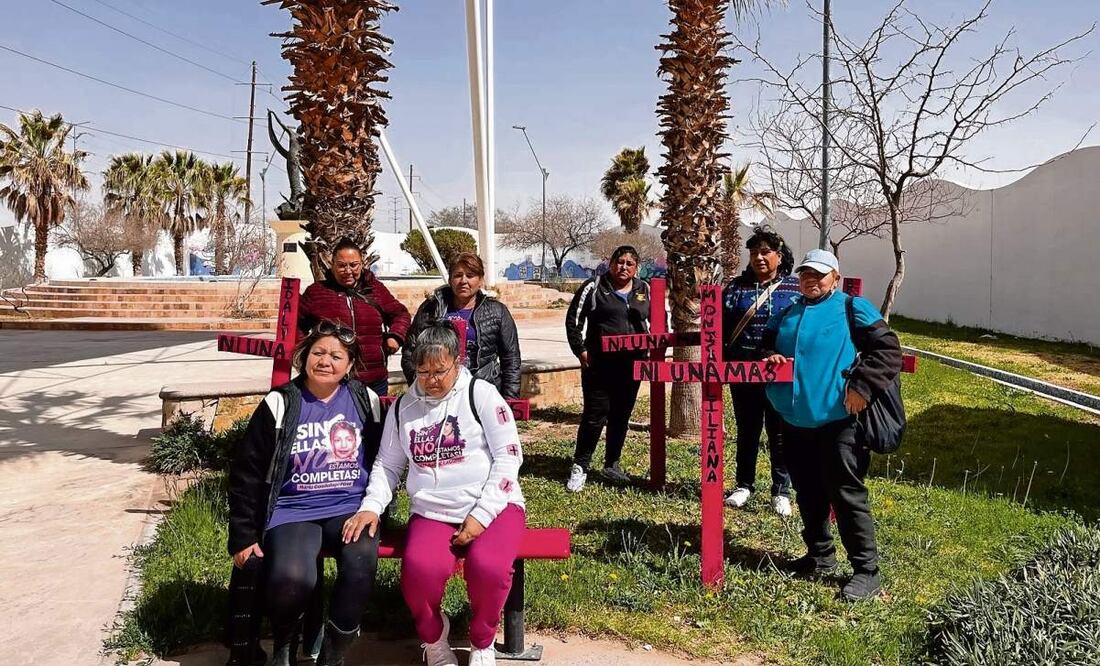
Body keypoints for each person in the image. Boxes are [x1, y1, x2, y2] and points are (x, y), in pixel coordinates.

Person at [353, 322, 526, 666]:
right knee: (419, 572)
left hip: (492, 504)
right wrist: (371, 506)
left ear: (457, 362)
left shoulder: (481, 394)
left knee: (488, 568)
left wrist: (481, 515)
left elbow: (509, 456)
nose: (431, 379)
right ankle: (433, 638)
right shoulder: (404, 407)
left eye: (440, 371)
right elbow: (388, 464)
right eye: (423, 371)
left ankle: (482, 641)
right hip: (433, 511)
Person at [227, 322, 384, 666]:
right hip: (293, 510)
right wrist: (242, 535)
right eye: (318, 353)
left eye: (336, 355)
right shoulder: (281, 402)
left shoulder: (365, 400)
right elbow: (247, 473)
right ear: (304, 357)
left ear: (350, 364)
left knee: (360, 564)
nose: (326, 361)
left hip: (350, 509)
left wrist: (374, 507)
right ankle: (285, 645)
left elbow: (385, 459)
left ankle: (331, 655)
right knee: (291, 580)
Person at [762, 249, 902, 601]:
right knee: (808, 491)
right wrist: (769, 357)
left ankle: (866, 571)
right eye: (806, 274)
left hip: (838, 422)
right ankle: (820, 555)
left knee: (845, 493)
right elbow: (764, 346)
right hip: (794, 421)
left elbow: (888, 350)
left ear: (835, 278)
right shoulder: (787, 312)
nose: (811, 280)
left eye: (819, 275)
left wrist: (862, 386)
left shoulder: (851, 307)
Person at [721, 226, 801, 517]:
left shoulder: (795, 289)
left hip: (779, 372)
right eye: (754, 253)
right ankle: (744, 484)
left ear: (779, 256)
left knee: (779, 432)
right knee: (747, 429)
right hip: (742, 374)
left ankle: (781, 490)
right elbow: (719, 328)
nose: (759, 257)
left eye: (765, 252)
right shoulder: (734, 289)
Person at [563, 245, 650, 493]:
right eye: (619, 261)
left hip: (631, 366)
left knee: (621, 416)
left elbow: (656, 322)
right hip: (599, 366)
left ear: (636, 268)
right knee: (594, 416)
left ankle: (612, 464)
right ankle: (580, 466)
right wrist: (581, 350)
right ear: (611, 263)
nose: (623, 267)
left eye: (629, 264)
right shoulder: (594, 286)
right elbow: (573, 320)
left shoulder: (644, 289)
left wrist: (649, 351)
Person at [298, 237, 412, 396]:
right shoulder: (316, 293)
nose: (348, 271)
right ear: (332, 265)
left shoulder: (375, 289)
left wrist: (395, 337)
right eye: (342, 266)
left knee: (375, 420)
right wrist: (307, 356)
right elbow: (294, 326)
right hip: (332, 381)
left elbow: (400, 314)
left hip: (374, 379)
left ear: (362, 263)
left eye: (353, 265)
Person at [402, 252, 522, 399]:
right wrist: (423, 386)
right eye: (458, 275)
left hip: (482, 392)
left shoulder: (497, 312)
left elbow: (511, 359)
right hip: (438, 395)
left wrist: (510, 400)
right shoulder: (430, 309)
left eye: (470, 275)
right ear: (450, 279)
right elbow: (410, 352)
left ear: (480, 280)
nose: (463, 281)